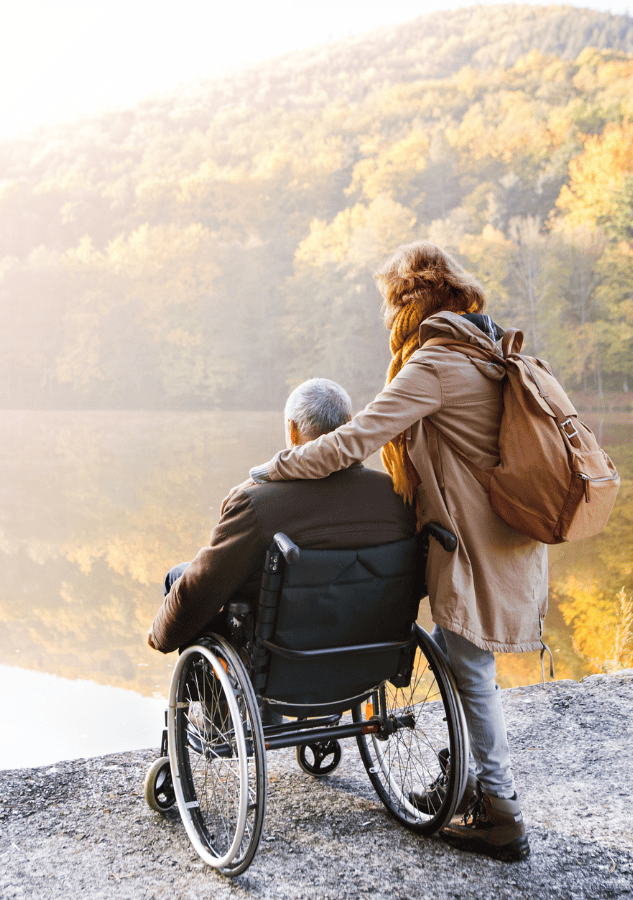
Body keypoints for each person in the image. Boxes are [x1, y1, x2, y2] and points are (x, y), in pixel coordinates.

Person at [246, 241, 545, 863]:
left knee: (471, 671)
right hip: (507, 537)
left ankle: (502, 810)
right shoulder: (483, 349)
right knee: (470, 668)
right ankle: (467, 784)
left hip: (470, 547)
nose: (387, 321)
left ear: (408, 305)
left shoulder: (436, 364)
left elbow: (353, 439)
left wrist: (274, 467)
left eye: (390, 307)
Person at [147, 378, 415, 654]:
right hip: (367, 654)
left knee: (180, 578)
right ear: (349, 424)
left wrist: (160, 635)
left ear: (293, 430)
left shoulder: (256, 505)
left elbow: (201, 590)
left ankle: (208, 696)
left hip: (281, 658)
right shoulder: (396, 496)